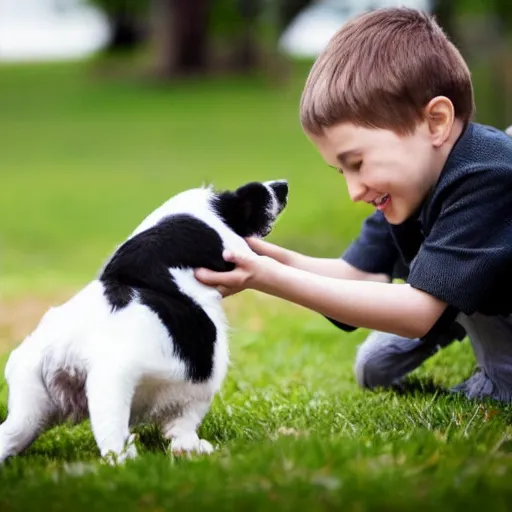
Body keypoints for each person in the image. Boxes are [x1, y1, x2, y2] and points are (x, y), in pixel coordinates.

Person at [194, 7, 512, 402]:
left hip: (480, 306)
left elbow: (417, 312)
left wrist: (267, 278)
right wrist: (262, 258)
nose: (354, 190)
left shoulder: (487, 176)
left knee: (498, 387)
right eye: (341, 172)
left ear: (435, 122)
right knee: (373, 367)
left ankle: (481, 342)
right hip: (443, 292)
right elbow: (358, 276)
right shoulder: (406, 186)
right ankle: (456, 300)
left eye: (357, 164)